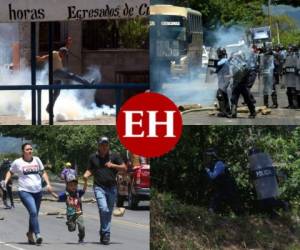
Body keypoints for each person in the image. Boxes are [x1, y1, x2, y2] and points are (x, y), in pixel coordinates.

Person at [3, 143, 53, 245]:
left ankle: (30, 234)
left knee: (33, 214)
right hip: (25, 191)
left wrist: (48, 184)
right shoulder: (18, 162)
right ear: (23, 151)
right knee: (33, 212)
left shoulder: (37, 160)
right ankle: (37, 234)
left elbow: (43, 172)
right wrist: (6, 180)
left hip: (38, 191)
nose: (30, 151)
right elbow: (10, 172)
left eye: (31, 149)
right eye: (27, 149)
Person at [83, 136, 127, 245]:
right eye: (102, 144)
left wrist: (113, 165)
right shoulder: (93, 157)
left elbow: (124, 168)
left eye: (106, 144)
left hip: (112, 188)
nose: (104, 146)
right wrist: (86, 175)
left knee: (108, 212)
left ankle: (103, 232)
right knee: (104, 209)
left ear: (108, 145)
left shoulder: (114, 156)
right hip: (99, 187)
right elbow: (90, 169)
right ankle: (106, 233)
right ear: (98, 145)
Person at [36, 47, 94, 113]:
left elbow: (65, 48)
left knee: (56, 94)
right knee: (71, 76)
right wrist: (40, 58)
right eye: (63, 54)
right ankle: (87, 83)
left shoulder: (59, 57)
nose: (63, 56)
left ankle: (49, 108)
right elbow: (46, 57)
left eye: (65, 55)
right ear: (60, 52)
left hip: (56, 77)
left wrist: (68, 44)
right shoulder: (55, 53)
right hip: (54, 73)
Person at [248, 148, 289, 217]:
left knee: (269, 201)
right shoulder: (253, 166)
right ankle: (274, 215)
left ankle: (283, 204)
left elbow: (271, 172)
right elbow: (252, 177)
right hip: (261, 187)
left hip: (268, 185)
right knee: (263, 204)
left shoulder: (264, 163)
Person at [204, 148, 242, 215]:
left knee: (234, 203)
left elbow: (213, 176)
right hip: (221, 186)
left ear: (213, 156)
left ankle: (242, 217)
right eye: (206, 156)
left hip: (228, 186)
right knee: (215, 198)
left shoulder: (219, 163)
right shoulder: (211, 165)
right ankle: (211, 212)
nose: (207, 158)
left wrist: (207, 170)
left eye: (208, 156)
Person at [51, 172, 86, 243]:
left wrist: (85, 181)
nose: (73, 187)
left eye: (75, 185)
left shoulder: (78, 193)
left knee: (82, 227)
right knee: (72, 229)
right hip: (70, 214)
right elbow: (57, 197)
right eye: (71, 185)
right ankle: (69, 223)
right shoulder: (65, 194)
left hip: (79, 213)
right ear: (67, 186)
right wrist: (51, 192)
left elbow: (84, 189)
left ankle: (81, 237)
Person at [230, 52, 256, 118]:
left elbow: (247, 71)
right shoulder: (235, 64)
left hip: (243, 84)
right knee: (233, 99)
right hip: (237, 84)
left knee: (247, 99)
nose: (236, 59)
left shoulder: (245, 65)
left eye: (238, 57)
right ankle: (233, 113)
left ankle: (253, 113)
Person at [214, 47, 231, 117]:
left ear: (219, 54)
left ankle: (223, 112)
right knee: (224, 94)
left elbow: (216, 66)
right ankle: (228, 110)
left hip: (223, 81)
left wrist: (212, 64)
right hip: (224, 80)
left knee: (219, 95)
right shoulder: (225, 60)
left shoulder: (222, 61)